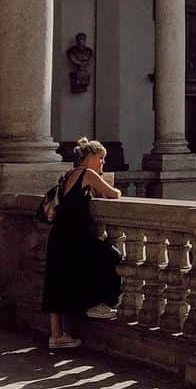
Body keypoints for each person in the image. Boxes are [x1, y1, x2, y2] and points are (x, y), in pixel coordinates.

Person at [43, 137, 123, 351]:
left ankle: (56, 335)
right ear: (89, 157)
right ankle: (99, 304)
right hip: (75, 236)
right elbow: (114, 194)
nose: (102, 164)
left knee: (55, 283)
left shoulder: (68, 175)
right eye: (101, 159)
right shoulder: (88, 174)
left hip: (58, 235)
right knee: (111, 256)